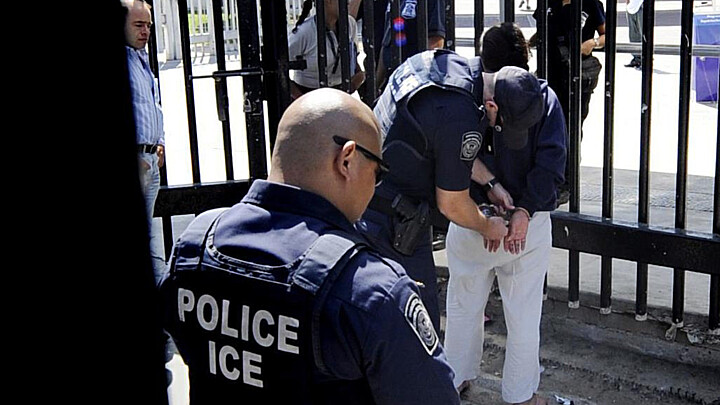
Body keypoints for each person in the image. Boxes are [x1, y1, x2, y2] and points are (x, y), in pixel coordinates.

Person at [160, 88, 461, 404]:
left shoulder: (195, 245)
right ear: (346, 160)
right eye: (378, 172)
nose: (376, 186)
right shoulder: (371, 289)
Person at [359, 49, 545, 335]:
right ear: (492, 107)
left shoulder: (443, 65)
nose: (497, 129)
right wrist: (487, 226)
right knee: (419, 328)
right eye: (502, 125)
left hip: (366, 200)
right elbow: (452, 203)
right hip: (392, 222)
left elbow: (442, 143)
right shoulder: (461, 117)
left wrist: (491, 183)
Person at [444, 23, 567, 404]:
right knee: (524, 314)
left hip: (471, 217)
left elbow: (453, 159)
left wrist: (485, 207)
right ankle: (521, 396)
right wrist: (524, 212)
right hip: (525, 229)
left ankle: (455, 380)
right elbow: (552, 166)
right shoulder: (544, 99)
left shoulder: (465, 95)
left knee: (463, 305)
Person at [532, 0, 605, 205]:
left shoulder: (591, 4)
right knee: (545, 128)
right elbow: (543, 30)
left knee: (571, 130)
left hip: (577, 75)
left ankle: (567, 183)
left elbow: (607, 34)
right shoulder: (548, 3)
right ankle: (550, 179)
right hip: (550, 73)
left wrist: (593, 43)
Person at [123, 0, 167, 283]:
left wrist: (159, 142)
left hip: (150, 159)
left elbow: (153, 105)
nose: (146, 31)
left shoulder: (141, 59)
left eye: (149, 25)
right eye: (139, 25)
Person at [288, 0, 365, 100]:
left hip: (340, 95)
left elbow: (353, 58)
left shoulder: (350, 24)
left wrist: (358, 78)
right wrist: (301, 99)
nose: (348, 1)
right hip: (309, 95)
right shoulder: (304, 32)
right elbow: (281, 70)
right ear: (327, 1)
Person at [375, 0, 447, 91]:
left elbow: (435, 42)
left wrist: (425, 83)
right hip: (394, 83)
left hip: (414, 84)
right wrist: (376, 85)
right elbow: (387, 43)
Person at [625, 0, 643, 69]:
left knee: (643, 33)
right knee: (633, 34)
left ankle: (646, 59)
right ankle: (637, 58)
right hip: (631, 6)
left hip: (641, 3)